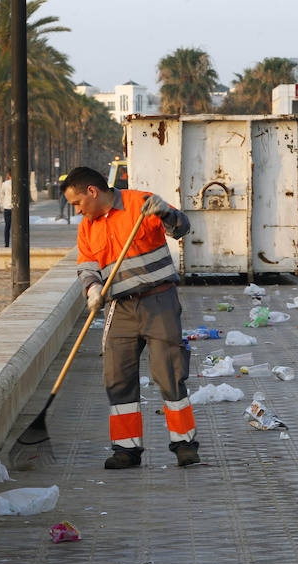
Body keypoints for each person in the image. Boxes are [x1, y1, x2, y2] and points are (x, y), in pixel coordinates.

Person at [61, 166, 200, 469]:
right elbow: (87, 266)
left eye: (77, 203)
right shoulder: (87, 227)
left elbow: (181, 228)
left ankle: (185, 444)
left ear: (92, 192)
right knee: (117, 376)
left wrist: (164, 213)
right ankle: (126, 449)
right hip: (118, 309)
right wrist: (93, 288)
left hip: (159, 300)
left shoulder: (141, 203)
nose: (77, 210)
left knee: (169, 373)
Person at [0, 171, 13, 248]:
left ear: (8, 175)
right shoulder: (17, 183)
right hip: (15, 207)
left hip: (7, 207)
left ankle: (6, 243)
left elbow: (2, 194)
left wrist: (2, 204)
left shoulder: (5, 184)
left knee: (7, 226)